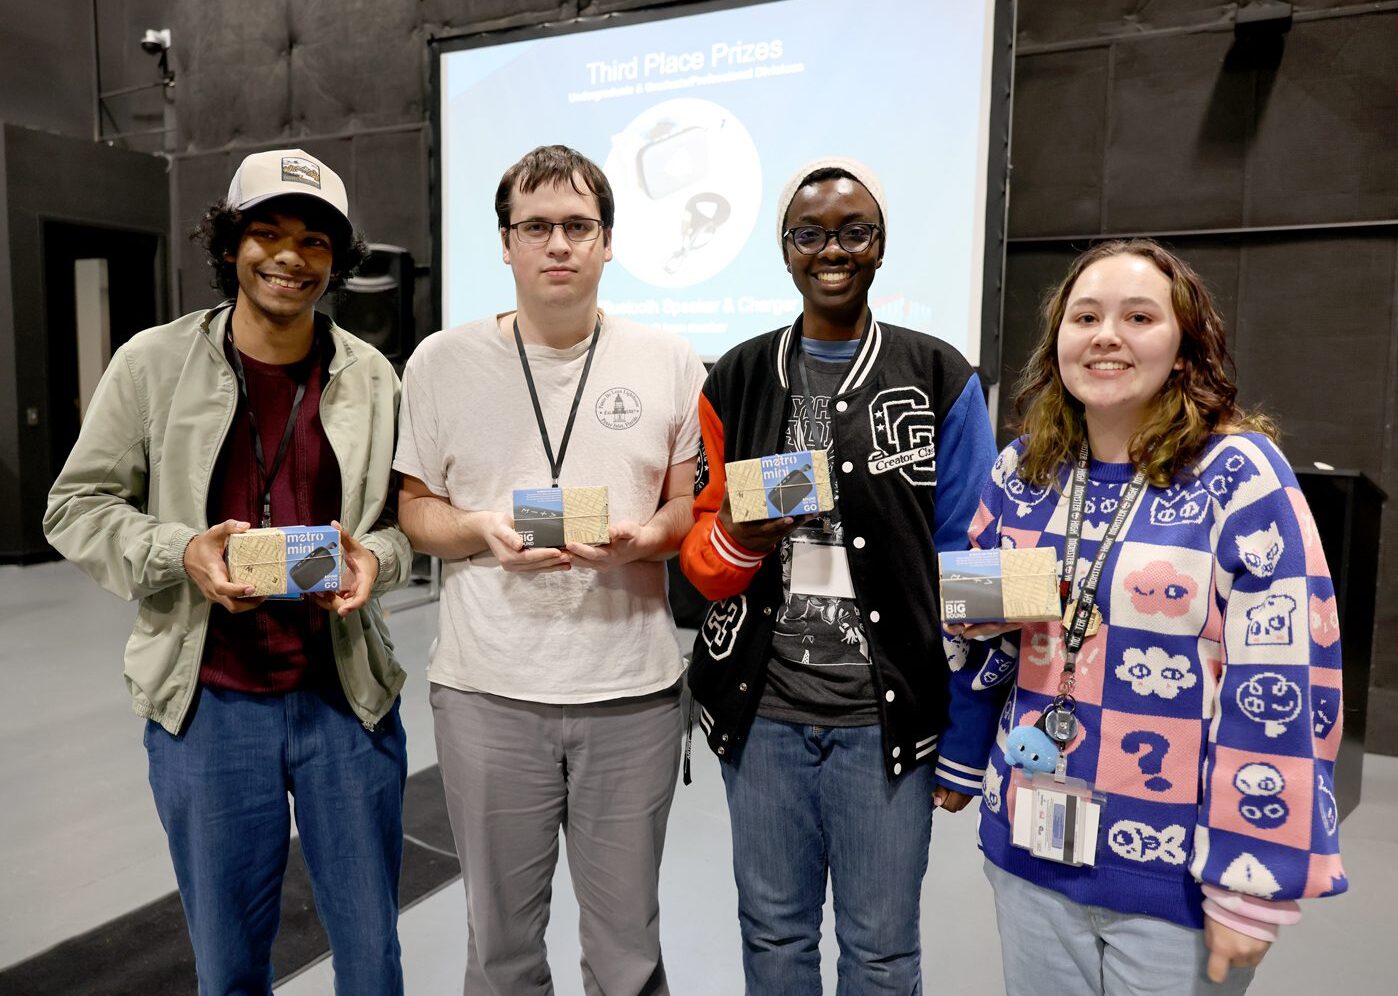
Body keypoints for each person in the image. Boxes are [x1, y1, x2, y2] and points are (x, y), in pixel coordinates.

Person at [44, 149, 412, 995]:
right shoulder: (151, 364)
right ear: (230, 244)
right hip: (209, 706)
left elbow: (402, 526)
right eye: (267, 232)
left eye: (315, 241)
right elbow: (75, 506)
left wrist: (374, 560)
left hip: (345, 700)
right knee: (228, 967)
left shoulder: (371, 378)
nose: (289, 256)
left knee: (371, 958)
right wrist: (180, 551)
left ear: (337, 261)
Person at [946, 239, 1347, 994]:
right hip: (1029, 849)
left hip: (1179, 884)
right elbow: (967, 621)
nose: (1106, 335)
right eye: (1085, 316)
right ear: (1057, 338)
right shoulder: (1022, 468)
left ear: (1185, 343)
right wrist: (1010, 592)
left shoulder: (1240, 474)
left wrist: (1249, 886)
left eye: (1138, 316)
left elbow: (1287, 681)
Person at [678, 158, 999, 993]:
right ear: (786, 249)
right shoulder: (738, 376)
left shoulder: (942, 376)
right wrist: (742, 537)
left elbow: (971, 566)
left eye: (855, 232)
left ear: (881, 247)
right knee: (774, 938)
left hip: (883, 721)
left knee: (883, 950)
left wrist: (965, 740)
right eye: (811, 233)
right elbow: (701, 572)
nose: (834, 250)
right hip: (763, 715)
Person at [394, 144, 705, 996]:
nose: (557, 244)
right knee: (499, 949)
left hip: (631, 695)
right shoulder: (439, 363)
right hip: (488, 693)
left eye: (578, 226)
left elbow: (687, 509)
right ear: (506, 243)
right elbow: (415, 513)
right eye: (536, 227)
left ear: (608, 242)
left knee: (627, 949)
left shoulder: (669, 359)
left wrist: (646, 540)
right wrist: (479, 527)